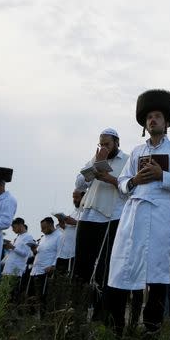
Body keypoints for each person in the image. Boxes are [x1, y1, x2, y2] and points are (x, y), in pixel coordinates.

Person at [108, 89, 170, 336]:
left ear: (167, 122)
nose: (153, 120)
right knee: (123, 266)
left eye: (157, 116)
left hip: (160, 212)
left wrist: (162, 176)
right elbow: (122, 183)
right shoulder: (137, 151)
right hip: (133, 213)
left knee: (157, 269)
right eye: (149, 117)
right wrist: (135, 180)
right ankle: (117, 327)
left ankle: (152, 328)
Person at [72, 128, 130, 322]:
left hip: (111, 218)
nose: (104, 147)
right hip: (89, 216)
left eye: (107, 144)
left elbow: (130, 189)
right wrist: (95, 167)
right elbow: (79, 184)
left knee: (104, 269)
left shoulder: (128, 160)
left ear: (116, 143)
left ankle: (100, 315)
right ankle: (75, 313)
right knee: (81, 267)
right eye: (101, 144)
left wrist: (112, 180)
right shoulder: (94, 159)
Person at [29, 217, 62, 309]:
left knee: (45, 297)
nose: (41, 230)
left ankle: (44, 318)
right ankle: (36, 317)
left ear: (51, 225)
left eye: (44, 228)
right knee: (36, 297)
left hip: (47, 271)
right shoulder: (43, 238)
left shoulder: (59, 236)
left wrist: (53, 266)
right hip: (36, 270)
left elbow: (59, 253)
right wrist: (34, 250)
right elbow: (39, 252)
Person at [55, 191, 81, 274]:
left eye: (76, 197)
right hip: (63, 252)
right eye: (73, 197)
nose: (74, 200)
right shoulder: (73, 212)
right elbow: (68, 229)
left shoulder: (85, 211)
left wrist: (75, 222)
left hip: (73, 253)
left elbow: (87, 228)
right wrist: (63, 224)